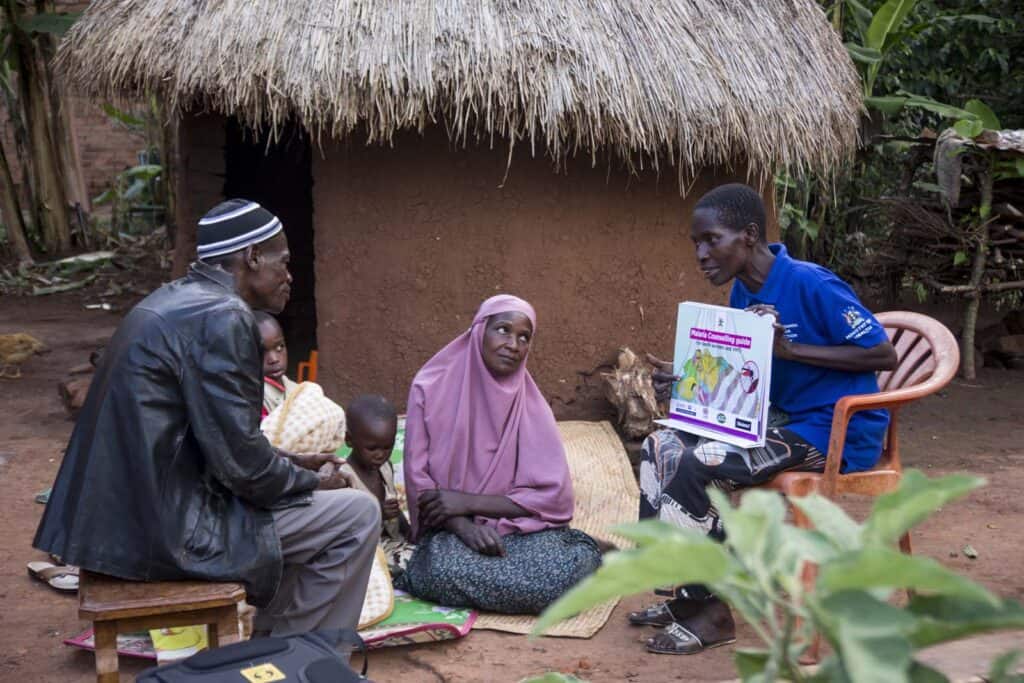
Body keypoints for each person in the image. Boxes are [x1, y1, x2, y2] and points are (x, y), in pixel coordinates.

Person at [33, 199, 381, 637]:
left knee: (314, 507)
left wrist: (291, 462)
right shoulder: (224, 316)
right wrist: (313, 481)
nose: (290, 275)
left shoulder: (177, 300)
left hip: (129, 523)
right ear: (253, 257)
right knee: (355, 514)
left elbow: (214, 440)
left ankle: (276, 646)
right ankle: (303, 659)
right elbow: (244, 470)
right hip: (164, 534)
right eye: (283, 261)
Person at [630, 183, 897, 655]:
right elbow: (748, 372)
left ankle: (711, 613)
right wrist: (689, 380)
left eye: (711, 240)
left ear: (749, 235)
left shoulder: (811, 283)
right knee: (660, 448)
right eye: (697, 243)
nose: (701, 253)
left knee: (703, 460)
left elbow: (882, 351)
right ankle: (683, 595)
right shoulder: (741, 291)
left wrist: (791, 349)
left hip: (835, 430)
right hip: (781, 420)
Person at [398, 294, 601, 614]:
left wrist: (466, 500)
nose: (513, 344)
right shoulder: (429, 387)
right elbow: (418, 479)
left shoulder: (530, 406)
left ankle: (579, 555)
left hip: (518, 530)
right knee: (438, 571)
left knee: (559, 574)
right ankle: (576, 565)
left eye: (524, 337)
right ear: (480, 330)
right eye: (503, 330)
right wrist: (464, 526)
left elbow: (554, 497)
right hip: (452, 529)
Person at [337, 394, 414, 574]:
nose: (380, 455)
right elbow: (346, 528)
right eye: (372, 448)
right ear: (349, 440)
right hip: (365, 550)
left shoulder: (385, 468)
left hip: (392, 543)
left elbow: (394, 509)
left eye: (387, 447)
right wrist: (379, 512)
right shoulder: (344, 478)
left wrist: (409, 531)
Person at [255, 311, 296, 418]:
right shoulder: (252, 398)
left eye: (279, 347)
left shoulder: (295, 389)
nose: (274, 359)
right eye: (261, 352)